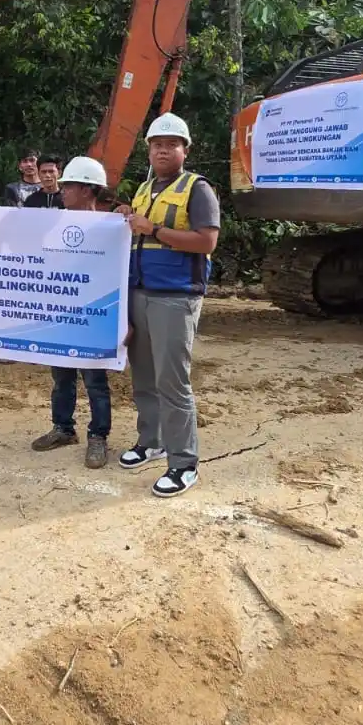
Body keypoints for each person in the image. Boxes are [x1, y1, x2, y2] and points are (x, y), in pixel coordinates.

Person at [118, 113, 219, 498]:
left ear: (184, 150)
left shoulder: (198, 189)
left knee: (172, 382)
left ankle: (183, 463)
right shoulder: (145, 190)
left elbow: (206, 242)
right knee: (143, 375)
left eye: (170, 144)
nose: (162, 149)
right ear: (149, 150)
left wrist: (154, 230)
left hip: (175, 297)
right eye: (156, 144)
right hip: (140, 293)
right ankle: (152, 440)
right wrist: (126, 219)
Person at [29, 156, 114, 468]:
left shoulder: (111, 228)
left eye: (69, 186)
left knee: (94, 380)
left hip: (93, 317)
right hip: (60, 314)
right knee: (61, 376)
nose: (62, 190)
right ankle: (63, 428)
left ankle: (98, 436)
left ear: (88, 190)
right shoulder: (54, 223)